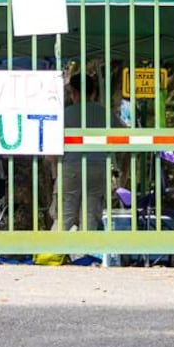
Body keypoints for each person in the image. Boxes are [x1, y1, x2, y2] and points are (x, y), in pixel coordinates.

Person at [51, 71, 119, 231]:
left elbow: (52, 152)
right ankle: (84, 254)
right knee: (90, 219)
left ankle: (52, 254)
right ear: (93, 92)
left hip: (70, 168)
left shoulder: (64, 115)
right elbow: (118, 144)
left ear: (73, 93)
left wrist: (55, 174)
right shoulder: (107, 115)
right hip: (99, 169)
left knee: (64, 218)